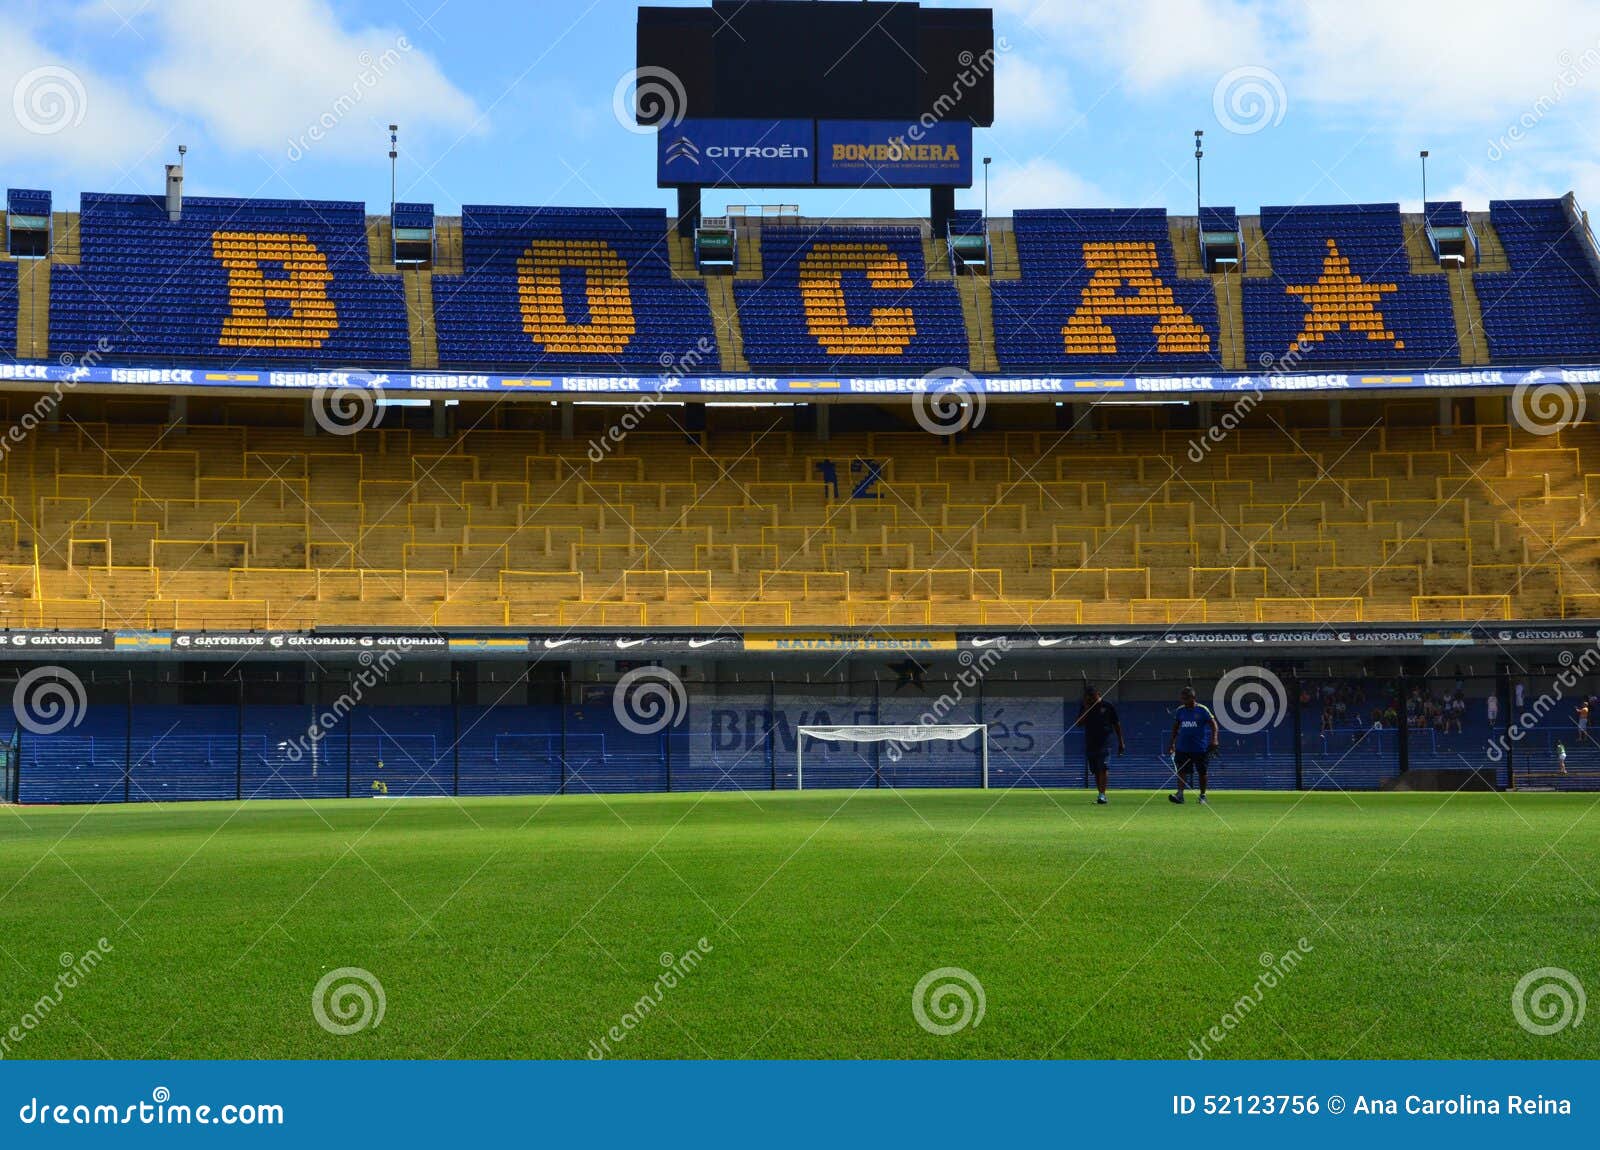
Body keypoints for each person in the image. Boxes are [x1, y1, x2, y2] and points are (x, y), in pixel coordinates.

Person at [1072, 685, 1125, 805]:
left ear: (1098, 695)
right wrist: (1086, 708)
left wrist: (1121, 742)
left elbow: (1117, 724)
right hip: (1091, 742)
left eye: (1092, 697)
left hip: (1105, 742)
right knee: (1095, 769)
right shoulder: (1086, 707)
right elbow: (1078, 724)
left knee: (1103, 766)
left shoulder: (1108, 706)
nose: (1091, 699)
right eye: (1088, 698)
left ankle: (1103, 795)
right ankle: (1100, 794)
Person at [1167, 684, 1219, 805]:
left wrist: (1214, 739)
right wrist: (1172, 743)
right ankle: (1180, 795)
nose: (1183, 700)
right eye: (1182, 698)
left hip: (1200, 748)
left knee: (1202, 772)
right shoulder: (1180, 710)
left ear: (1192, 698)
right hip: (1183, 747)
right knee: (1181, 771)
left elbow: (1213, 724)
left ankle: (1202, 796)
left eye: (1185, 698)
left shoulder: (1202, 709)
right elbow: (1175, 728)